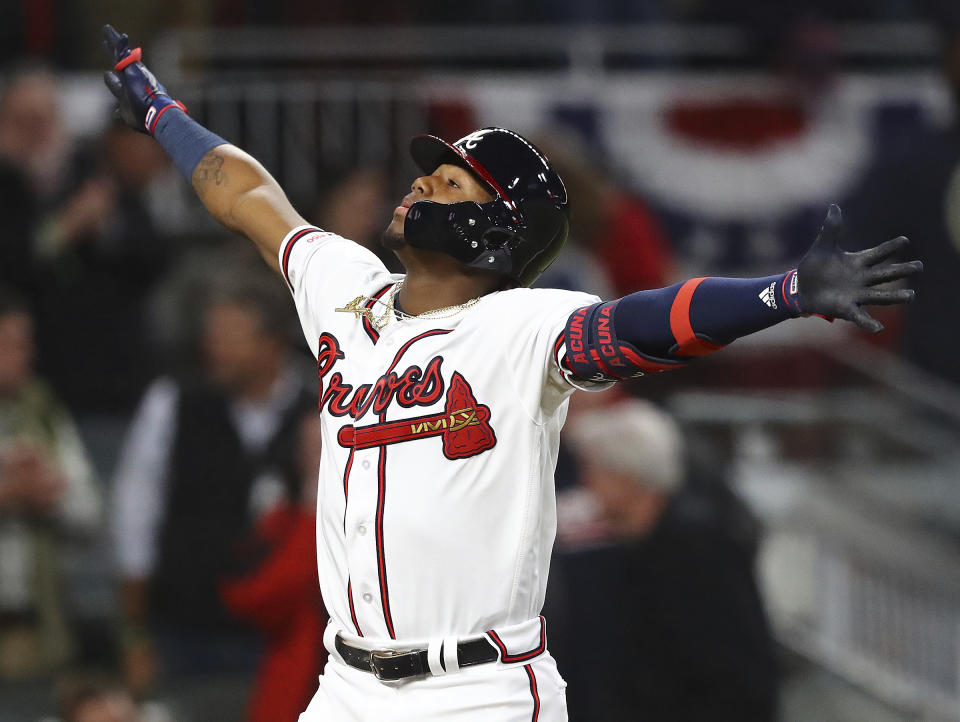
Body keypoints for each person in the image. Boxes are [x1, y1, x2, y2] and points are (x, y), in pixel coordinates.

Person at [100, 25, 921, 721]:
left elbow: (642, 324)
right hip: (346, 685)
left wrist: (779, 294)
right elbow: (250, 198)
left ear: (494, 229)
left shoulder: (521, 330)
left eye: (449, 180)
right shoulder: (344, 289)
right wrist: (162, 113)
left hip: (477, 690)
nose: (421, 179)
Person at [110, 271, 315, 719]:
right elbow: (134, 520)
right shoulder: (174, 402)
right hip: (185, 632)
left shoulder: (324, 406)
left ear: (272, 343)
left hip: (288, 640)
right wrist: (135, 635)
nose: (212, 348)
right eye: (211, 335)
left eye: (228, 337)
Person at [562, 400, 778, 721]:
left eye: (595, 470)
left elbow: (732, 666)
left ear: (626, 475)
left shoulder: (698, 546)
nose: (585, 483)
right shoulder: (639, 546)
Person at [0, 286, 101, 689]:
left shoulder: (41, 409)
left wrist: (48, 492)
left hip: (32, 627)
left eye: (25, 343)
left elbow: (89, 511)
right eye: (8, 344)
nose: (23, 355)